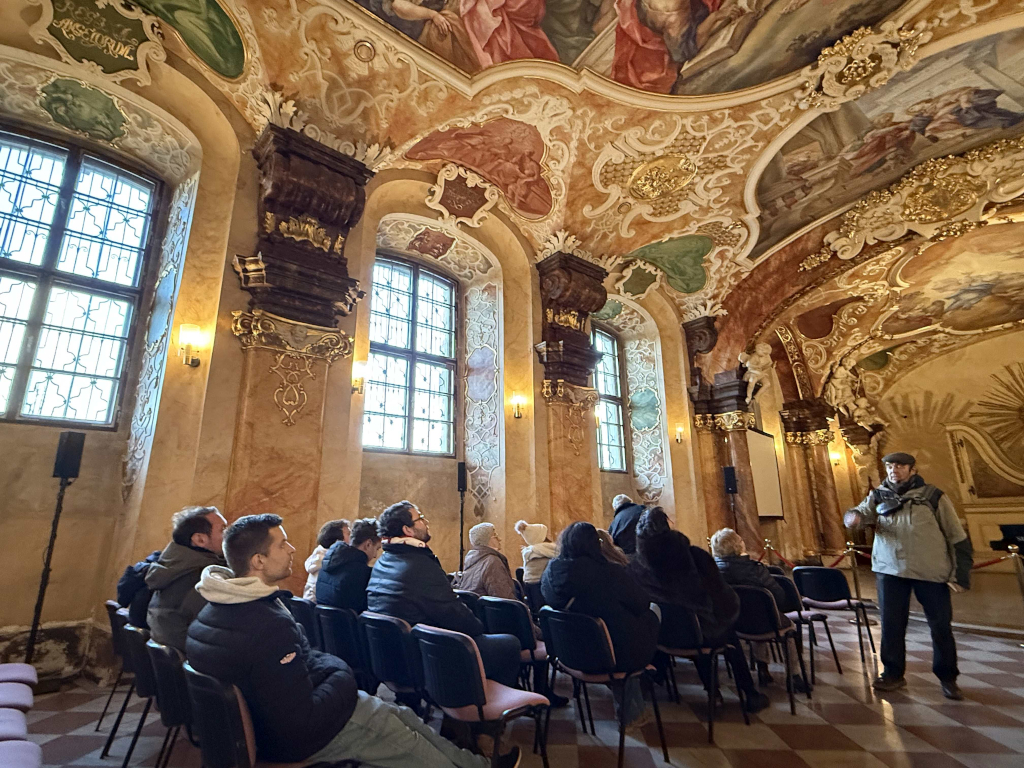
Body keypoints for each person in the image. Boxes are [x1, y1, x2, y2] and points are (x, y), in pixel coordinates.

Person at [186, 514, 511, 768]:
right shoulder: (263, 624)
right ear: (258, 560)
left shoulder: (215, 610)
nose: (292, 549)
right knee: (398, 732)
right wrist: (342, 676)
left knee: (402, 715)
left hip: (284, 719)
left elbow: (300, 666)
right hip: (301, 737)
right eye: (282, 544)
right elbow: (299, 721)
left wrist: (331, 672)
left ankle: (477, 764)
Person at [845, 451, 972, 700]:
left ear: (912, 470)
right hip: (890, 570)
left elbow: (956, 536)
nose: (894, 470)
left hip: (929, 571)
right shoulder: (878, 495)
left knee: (940, 626)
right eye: (890, 467)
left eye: (900, 466)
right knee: (891, 624)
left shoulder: (933, 496)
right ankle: (892, 674)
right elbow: (860, 513)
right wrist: (853, 518)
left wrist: (961, 574)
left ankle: (947, 677)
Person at [367, 501, 522, 688]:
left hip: (395, 659)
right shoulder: (419, 565)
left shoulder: (382, 563)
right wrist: (479, 627)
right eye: (420, 518)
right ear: (407, 530)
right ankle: (480, 700)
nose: (426, 522)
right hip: (431, 660)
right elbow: (455, 616)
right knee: (510, 644)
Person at [631, 509, 769, 712]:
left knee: (695, 624)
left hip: (662, 636)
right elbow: (722, 595)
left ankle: (713, 692)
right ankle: (749, 693)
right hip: (698, 631)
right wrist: (725, 614)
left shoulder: (637, 566)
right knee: (723, 633)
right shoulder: (694, 556)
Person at [542, 521, 660, 724]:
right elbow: (642, 603)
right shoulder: (610, 572)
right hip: (611, 656)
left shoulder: (550, 573)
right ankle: (635, 710)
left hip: (569, 653)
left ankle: (632, 706)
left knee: (619, 627)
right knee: (649, 615)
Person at [711, 528, 805, 691]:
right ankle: (794, 676)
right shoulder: (755, 569)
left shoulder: (714, 572)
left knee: (755, 616)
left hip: (734, 625)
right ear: (739, 546)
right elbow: (778, 596)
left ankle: (763, 669)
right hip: (761, 621)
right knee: (787, 628)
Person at [145, 506, 227, 650]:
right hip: (188, 655)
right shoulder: (202, 576)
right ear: (200, 539)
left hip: (173, 653)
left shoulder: (176, 565)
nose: (230, 535)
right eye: (223, 530)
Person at [316, 519, 382, 612]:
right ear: (368, 544)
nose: (375, 555)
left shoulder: (326, 565)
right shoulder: (362, 574)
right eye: (377, 549)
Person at [303, 519, 350, 602]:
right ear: (337, 541)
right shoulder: (333, 560)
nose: (352, 538)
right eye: (349, 534)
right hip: (317, 606)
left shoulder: (318, 555)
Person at [116, 548, 162, 628]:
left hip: (138, 624)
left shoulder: (145, 566)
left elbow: (122, 599)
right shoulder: (160, 570)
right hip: (147, 626)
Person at [514, 520, 556, 584]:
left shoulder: (528, 552)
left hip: (529, 585)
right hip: (547, 584)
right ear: (542, 537)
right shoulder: (551, 549)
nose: (550, 535)